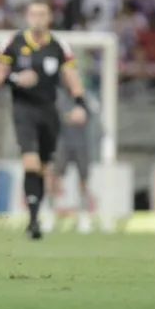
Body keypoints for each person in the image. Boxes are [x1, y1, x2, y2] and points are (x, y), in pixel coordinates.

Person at [0, 0, 87, 240]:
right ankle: (33, 221)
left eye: (42, 13)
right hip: (24, 109)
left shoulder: (58, 45)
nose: (37, 18)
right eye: (33, 13)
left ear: (50, 17)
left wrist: (80, 104)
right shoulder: (13, 42)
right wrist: (15, 79)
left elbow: (71, 76)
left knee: (43, 167)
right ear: (27, 16)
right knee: (30, 163)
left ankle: (36, 216)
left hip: (49, 111)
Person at [51, 90, 103, 234]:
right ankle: (51, 216)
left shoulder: (88, 96)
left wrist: (82, 115)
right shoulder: (59, 96)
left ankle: (84, 218)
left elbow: (94, 113)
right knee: (56, 179)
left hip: (83, 144)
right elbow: (52, 114)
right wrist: (68, 116)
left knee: (84, 182)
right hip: (63, 143)